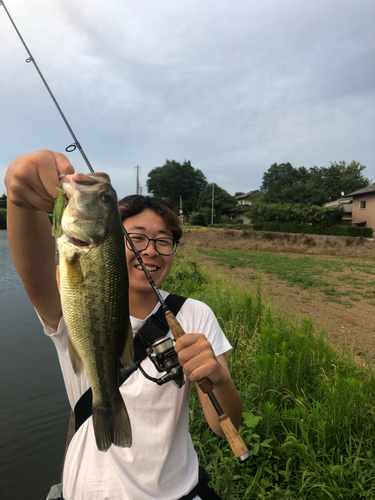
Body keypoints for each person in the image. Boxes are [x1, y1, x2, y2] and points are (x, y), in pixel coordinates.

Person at [5, 150, 243, 500]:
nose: (150, 250)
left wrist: (219, 379)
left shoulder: (196, 314)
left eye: (164, 240)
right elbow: (37, 273)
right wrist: (20, 200)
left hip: (176, 492)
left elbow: (226, 427)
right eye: (136, 237)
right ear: (114, 239)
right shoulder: (74, 295)